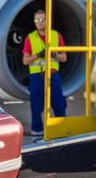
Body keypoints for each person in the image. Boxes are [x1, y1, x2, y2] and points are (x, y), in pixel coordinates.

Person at [22, 8, 67, 138]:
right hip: (37, 76)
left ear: (48, 20)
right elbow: (25, 61)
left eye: (42, 19)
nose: (40, 22)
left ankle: (61, 130)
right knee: (36, 106)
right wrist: (38, 55)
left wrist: (54, 55)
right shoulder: (30, 38)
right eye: (37, 20)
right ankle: (37, 131)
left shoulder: (56, 35)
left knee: (59, 104)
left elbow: (64, 58)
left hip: (53, 75)